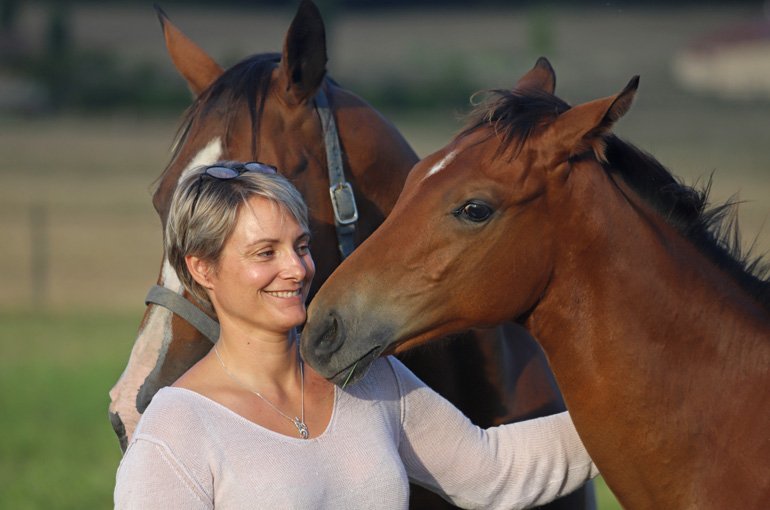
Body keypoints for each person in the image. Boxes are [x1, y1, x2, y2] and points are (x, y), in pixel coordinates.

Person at [114, 161, 598, 509]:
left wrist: (631, 410)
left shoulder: (369, 380)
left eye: (301, 245)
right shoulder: (176, 431)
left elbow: (496, 471)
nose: (297, 269)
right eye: (265, 253)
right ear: (203, 269)